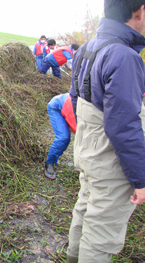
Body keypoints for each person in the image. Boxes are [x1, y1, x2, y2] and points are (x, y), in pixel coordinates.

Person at [67, 1, 145, 262]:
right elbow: (123, 126)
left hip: (87, 153)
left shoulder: (87, 48)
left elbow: (75, 99)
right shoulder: (125, 56)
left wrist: (89, 142)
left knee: (85, 210)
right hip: (111, 165)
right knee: (101, 234)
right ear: (140, 11)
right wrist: (141, 180)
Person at [45, 93, 76, 180]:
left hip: (67, 104)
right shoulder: (76, 111)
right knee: (63, 138)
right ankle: (49, 163)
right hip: (56, 107)